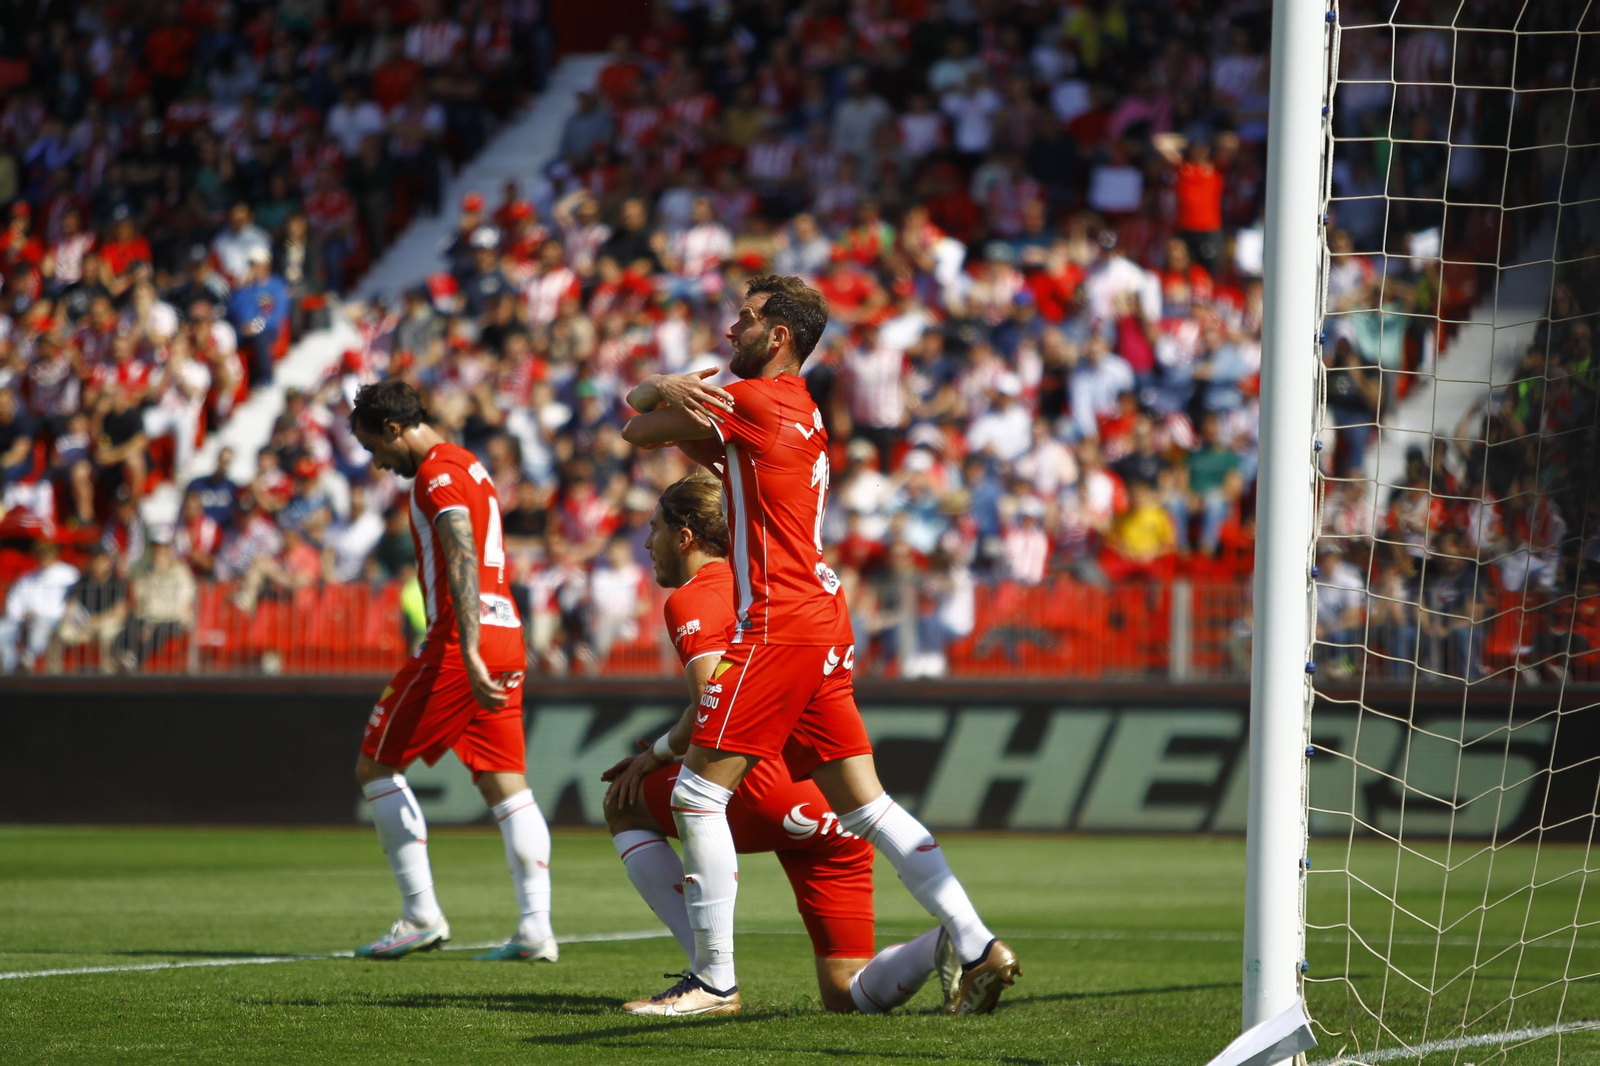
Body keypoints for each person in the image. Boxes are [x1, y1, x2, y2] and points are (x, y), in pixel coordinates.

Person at [620, 275, 1016, 1016]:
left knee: (698, 792)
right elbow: (676, 439)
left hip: (779, 620)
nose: (730, 329)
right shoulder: (797, 411)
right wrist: (676, 403)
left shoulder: (754, 401)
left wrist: (659, 386)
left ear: (779, 337)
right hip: (824, 617)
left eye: (745, 319)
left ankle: (712, 981)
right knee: (865, 806)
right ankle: (974, 939)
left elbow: (636, 429)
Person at [602, 473, 952, 1016]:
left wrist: (655, 755)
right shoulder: (779, 580)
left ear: (685, 536)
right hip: (837, 800)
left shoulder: (694, 597)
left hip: (766, 786)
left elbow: (713, 707)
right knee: (846, 992)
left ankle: (711, 977)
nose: (648, 543)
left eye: (654, 529)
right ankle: (942, 943)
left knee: (622, 803)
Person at [345, 381, 555, 963]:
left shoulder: (436, 473)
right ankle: (536, 928)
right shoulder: (469, 463)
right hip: (507, 628)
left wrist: (465, 646)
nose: (379, 464)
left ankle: (420, 915)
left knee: (375, 765)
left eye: (374, 449)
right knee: (506, 783)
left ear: (393, 429)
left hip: (464, 638)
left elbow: (459, 547)